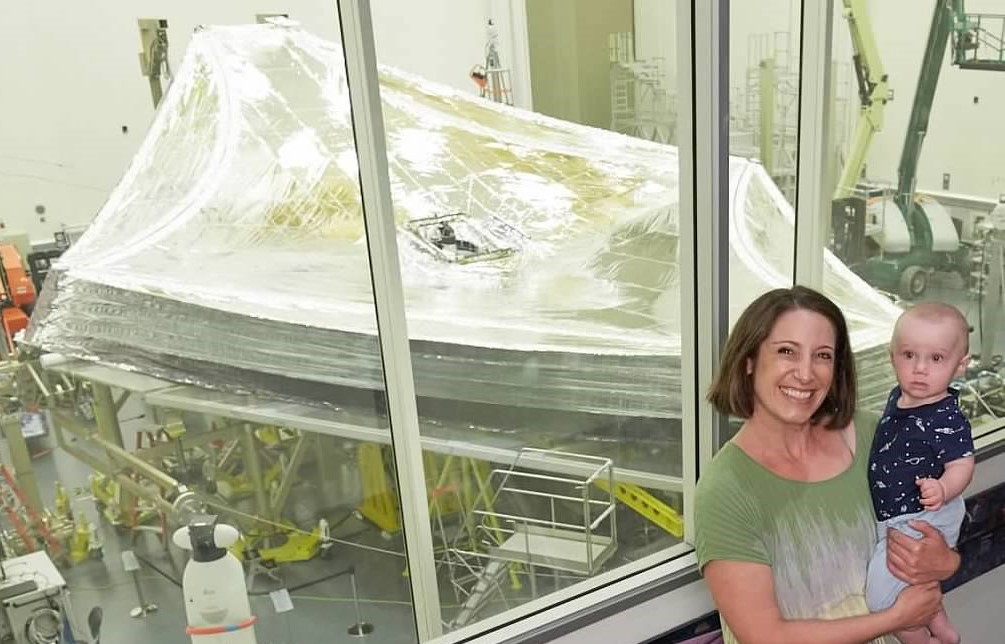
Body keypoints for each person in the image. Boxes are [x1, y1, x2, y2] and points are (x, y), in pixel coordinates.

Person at [695, 286, 960, 644]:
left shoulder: (873, 435)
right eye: (787, 351)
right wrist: (895, 618)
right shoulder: (724, 489)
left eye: (822, 356)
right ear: (749, 360)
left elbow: (934, 522)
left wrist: (947, 562)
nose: (805, 374)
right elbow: (764, 636)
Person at [865, 303, 974, 644]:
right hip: (898, 515)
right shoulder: (898, 397)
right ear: (892, 356)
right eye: (909, 354)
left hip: (924, 515)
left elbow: (963, 464)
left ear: (961, 366)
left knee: (881, 599)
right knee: (912, 580)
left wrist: (943, 488)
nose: (920, 369)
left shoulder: (946, 416)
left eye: (936, 358)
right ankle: (941, 627)